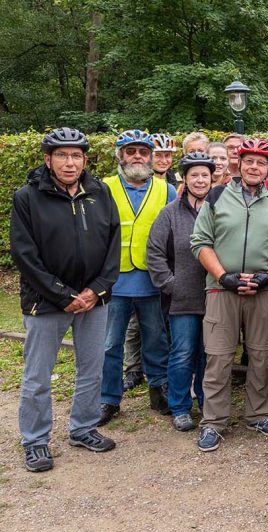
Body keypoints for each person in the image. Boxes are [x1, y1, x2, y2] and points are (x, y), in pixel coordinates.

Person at [12, 128, 120, 471]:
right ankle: (35, 440)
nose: (69, 162)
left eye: (76, 155)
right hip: (46, 302)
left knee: (91, 370)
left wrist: (96, 290)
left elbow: (114, 245)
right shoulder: (27, 197)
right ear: (48, 159)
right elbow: (24, 255)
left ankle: (83, 428)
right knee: (37, 377)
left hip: (93, 300)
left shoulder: (100, 192)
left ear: (84, 159)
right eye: (62, 155)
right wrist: (63, 295)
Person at [190, 138, 268, 452]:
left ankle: (258, 414)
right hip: (222, 288)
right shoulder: (217, 196)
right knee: (218, 357)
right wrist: (223, 276)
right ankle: (213, 422)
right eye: (249, 161)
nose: (254, 167)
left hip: (264, 289)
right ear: (239, 164)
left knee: (262, 355)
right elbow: (200, 241)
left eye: (261, 162)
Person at [99, 130, 177, 425]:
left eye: (143, 152)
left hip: (152, 280)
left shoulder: (165, 189)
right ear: (120, 155)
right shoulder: (103, 188)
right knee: (110, 344)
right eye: (130, 151)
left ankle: (160, 393)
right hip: (113, 281)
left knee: (156, 340)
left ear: (151, 156)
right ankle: (108, 399)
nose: (137, 157)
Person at [146, 153, 214, 432]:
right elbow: (155, 252)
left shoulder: (219, 209)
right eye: (194, 175)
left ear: (213, 179)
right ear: (184, 179)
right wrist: (170, 285)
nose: (200, 180)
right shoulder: (170, 213)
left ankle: (206, 404)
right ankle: (180, 406)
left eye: (205, 175)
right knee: (183, 352)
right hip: (182, 300)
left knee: (208, 355)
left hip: (214, 296)